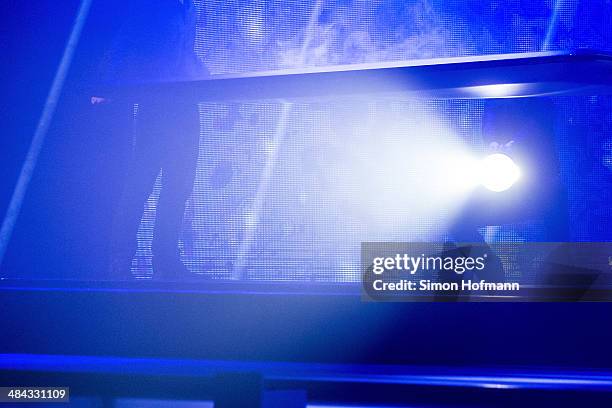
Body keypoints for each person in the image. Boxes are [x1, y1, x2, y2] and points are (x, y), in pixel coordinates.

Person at [94, 0, 208, 280]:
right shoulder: (152, 5)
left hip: (185, 104)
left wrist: (206, 78)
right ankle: (119, 264)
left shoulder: (189, 7)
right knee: (140, 184)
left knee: (178, 187)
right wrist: (106, 82)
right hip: (155, 104)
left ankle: (167, 263)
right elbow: (126, 40)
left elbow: (184, 52)